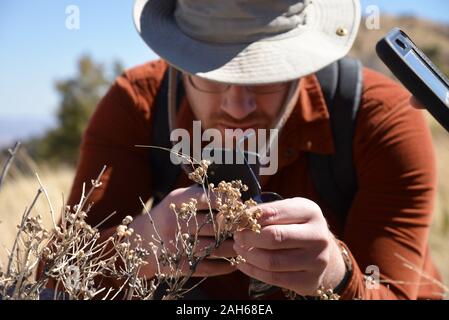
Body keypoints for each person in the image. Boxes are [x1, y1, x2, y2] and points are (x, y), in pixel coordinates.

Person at [65, 0, 443, 299]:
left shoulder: (377, 117)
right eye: (212, 74)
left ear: (301, 64)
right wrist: (143, 244)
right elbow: (58, 272)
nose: (237, 106)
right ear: (179, 62)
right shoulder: (137, 104)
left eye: (264, 75)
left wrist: (337, 276)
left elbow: (395, 289)